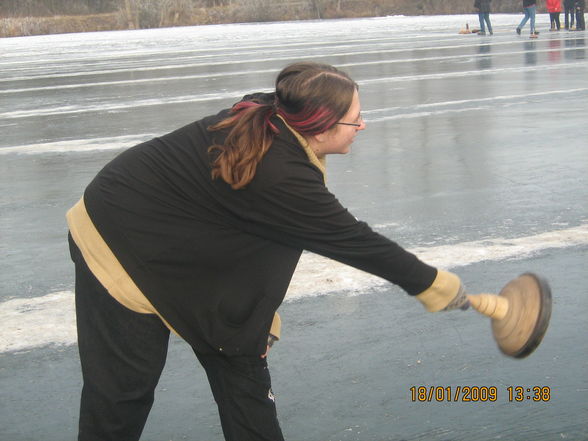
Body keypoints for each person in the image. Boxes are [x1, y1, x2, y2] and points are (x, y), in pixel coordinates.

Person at [66, 61, 468, 441]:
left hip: (185, 235)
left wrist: (259, 317)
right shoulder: (281, 175)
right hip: (116, 232)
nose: (363, 124)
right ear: (320, 127)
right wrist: (433, 284)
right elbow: (355, 242)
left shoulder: (276, 115)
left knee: (241, 356)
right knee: (124, 391)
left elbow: (263, 239)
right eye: (354, 120)